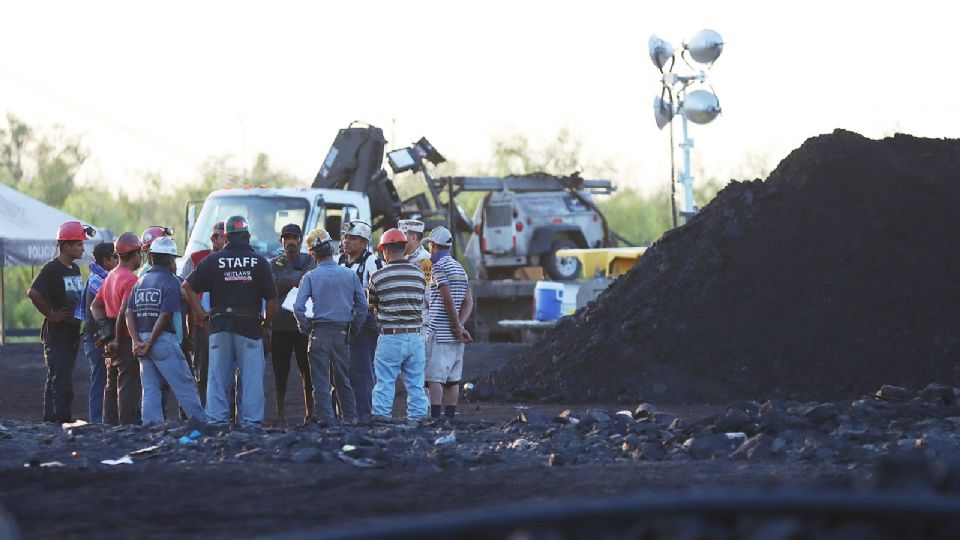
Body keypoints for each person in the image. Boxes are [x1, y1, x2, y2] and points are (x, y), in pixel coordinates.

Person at [182, 215, 277, 427]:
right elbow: (272, 299)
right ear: (248, 236)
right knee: (251, 379)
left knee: (217, 378)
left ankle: (217, 421)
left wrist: (200, 313)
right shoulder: (260, 262)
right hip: (250, 326)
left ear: (225, 237)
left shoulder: (213, 260)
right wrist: (267, 325)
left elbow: (186, 287)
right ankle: (251, 423)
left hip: (220, 325)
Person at [126, 236, 207, 425]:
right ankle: (201, 424)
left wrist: (136, 341)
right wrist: (150, 343)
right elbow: (165, 315)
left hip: (143, 338)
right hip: (161, 340)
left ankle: (151, 427)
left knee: (151, 388)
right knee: (184, 384)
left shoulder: (141, 281)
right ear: (171, 260)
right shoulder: (171, 282)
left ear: (152, 258)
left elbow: (130, 313)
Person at [294, 228, 367, 426]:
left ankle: (326, 421)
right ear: (332, 248)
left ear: (312, 254)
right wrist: (354, 328)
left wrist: (307, 328)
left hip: (319, 333)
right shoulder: (349, 275)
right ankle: (350, 420)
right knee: (343, 380)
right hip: (343, 332)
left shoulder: (310, 277)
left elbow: (298, 308)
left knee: (320, 382)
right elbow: (362, 306)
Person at [27, 221, 94, 423]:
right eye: (79, 244)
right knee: (62, 382)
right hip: (57, 336)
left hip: (70, 334)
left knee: (56, 378)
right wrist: (51, 314)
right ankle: (62, 422)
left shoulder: (74, 268)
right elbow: (33, 292)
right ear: (65, 246)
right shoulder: (52, 269)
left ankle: (50, 421)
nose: (83, 248)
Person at [368, 229, 429, 420]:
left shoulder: (377, 277)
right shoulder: (419, 275)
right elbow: (419, 301)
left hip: (390, 337)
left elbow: (373, 307)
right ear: (404, 248)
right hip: (415, 337)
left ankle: (381, 422)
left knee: (385, 383)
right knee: (416, 384)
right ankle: (418, 423)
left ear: (385, 250)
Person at [90, 232, 143, 426]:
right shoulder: (131, 280)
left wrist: (106, 331)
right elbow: (124, 312)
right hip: (125, 338)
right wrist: (118, 339)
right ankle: (127, 427)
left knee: (111, 386)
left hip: (111, 337)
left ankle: (109, 426)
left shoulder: (110, 276)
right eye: (140, 253)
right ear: (135, 254)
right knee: (128, 385)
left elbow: (95, 306)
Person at [424, 226, 474, 420]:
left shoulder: (438, 267)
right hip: (457, 336)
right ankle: (450, 418)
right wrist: (461, 326)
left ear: (433, 246)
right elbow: (468, 301)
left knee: (434, 377)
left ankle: (436, 417)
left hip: (440, 331)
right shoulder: (460, 268)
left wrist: (455, 325)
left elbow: (447, 300)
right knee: (453, 380)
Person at [268, 223, 316, 427]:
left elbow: (307, 282)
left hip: (304, 325)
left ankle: (310, 415)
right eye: (286, 237)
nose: (290, 241)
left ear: (300, 239)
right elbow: (271, 287)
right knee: (280, 372)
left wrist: (284, 283)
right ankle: (280, 416)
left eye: (294, 237)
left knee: (308, 372)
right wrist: (296, 281)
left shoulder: (309, 260)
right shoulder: (273, 263)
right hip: (280, 325)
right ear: (281, 241)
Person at [337, 220, 382, 417]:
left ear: (364, 243)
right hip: (340, 321)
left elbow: (380, 290)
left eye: (353, 238)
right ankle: (343, 414)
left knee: (362, 370)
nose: (347, 241)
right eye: (346, 237)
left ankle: (364, 414)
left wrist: (355, 296)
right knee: (340, 371)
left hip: (364, 323)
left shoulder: (372, 262)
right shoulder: (339, 261)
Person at [179, 221, 225, 404]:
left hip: (226, 322)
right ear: (214, 238)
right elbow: (182, 288)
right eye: (225, 237)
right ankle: (203, 410)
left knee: (226, 369)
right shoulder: (197, 258)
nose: (229, 241)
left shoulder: (234, 259)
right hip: (201, 323)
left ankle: (227, 413)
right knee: (202, 370)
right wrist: (198, 312)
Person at [76, 242, 118, 423]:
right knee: (100, 380)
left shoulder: (98, 279)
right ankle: (96, 421)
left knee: (102, 379)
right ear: (106, 260)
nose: (118, 260)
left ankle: (101, 420)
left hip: (95, 338)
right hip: (96, 339)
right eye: (115, 257)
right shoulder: (98, 282)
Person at [398, 219, 432, 336]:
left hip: (420, 327)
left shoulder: (425, 260)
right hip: (404, 325)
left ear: (412, 238)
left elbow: (430, 296)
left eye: (402, 235)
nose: (398, 240)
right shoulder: (401, 258)